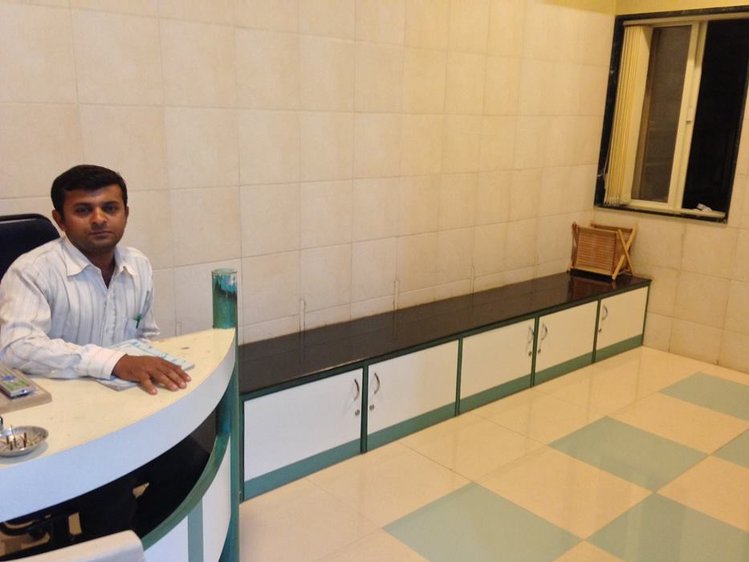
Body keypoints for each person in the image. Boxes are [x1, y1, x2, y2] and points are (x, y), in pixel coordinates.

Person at [0, 164, 207, 542]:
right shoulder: (31, 271)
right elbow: (16, 348)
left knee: (194, 463)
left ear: (126, 212)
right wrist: (114, 362)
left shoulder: (138, 265)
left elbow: (146, 336)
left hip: (123, 413)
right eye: (83, 210)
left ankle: (134, 546)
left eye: (110, 208)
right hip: (62, 424)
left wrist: (157, 371)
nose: (98, 219)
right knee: (112, 489)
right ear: (60, 219)